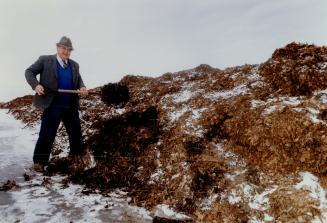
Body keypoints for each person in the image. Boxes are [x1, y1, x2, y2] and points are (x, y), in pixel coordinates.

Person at [25, 36, 88, 172]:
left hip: (70, 104)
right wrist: (36, 85)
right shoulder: (45, 60)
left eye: (69, 49)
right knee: (47, 133)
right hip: (52, 104)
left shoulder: (75, 65)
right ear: (58, 48)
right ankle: (40, 162)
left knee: (75, 132)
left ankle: (75, 157)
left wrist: (82, 88)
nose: (66, 51)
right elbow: (29, 72)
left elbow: (79, 80)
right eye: (64, 48)